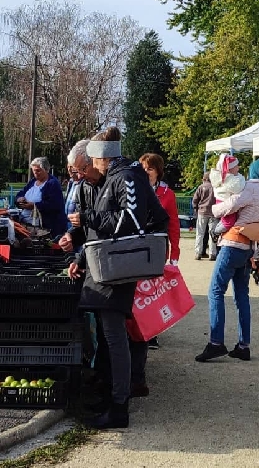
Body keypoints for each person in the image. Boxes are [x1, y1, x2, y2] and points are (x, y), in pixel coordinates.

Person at [59, 127, 167, 429]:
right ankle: (111, 396)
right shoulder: (117, 177)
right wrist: (81, 255)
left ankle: (119, 406)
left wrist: (89, 218)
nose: (87, 170)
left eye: (89, 163)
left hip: (119, 267)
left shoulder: (125, 177)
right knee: (110, 336)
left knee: (115, 335)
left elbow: (130, 220)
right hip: (109, 264)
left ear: (100, 158)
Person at [197, 159, 259, 363]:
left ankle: (216, 342)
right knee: (241, 295)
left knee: (215, 291)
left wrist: (214, 211)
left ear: (252, 171)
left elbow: (230, 205)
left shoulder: (250, 188)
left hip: (233, 244)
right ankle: (243, 345)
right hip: (249, 248)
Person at [138, 153, 180, 350]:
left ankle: (153, 332)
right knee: (137, 290)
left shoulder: (167, 194)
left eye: (150, 168)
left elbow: (173, 225)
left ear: (158, 172)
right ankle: (137, 329)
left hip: (157, 247)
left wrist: (175, 253)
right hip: (136, 246)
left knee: (153, 290)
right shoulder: (134, 190)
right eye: (143, 168)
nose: (146, 172)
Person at [15, 157, 66, 239]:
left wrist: (34, 206)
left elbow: (54, 205)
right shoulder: (32, 181)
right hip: (26, 225)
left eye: (38, 170)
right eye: (33, 170)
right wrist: (19, 199)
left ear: (46, 170)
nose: (35, 173)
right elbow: (20, 193)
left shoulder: (52, 184)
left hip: (44, 229)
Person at [209, 154, 245, 238]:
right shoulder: (229, 179)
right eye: (236, 166)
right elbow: (238, 188)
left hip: (223, 200)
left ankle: (216, 231)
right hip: (225, 202)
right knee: (228, 223)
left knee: (225, 221)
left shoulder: (223, 177)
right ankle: (215, 232)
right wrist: (241, 179)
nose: (238, 168)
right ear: (230, 169)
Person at [192, 172, 216, 260]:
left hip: (202, 212)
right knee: (212, 234)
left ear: (204, 179)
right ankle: (212, 253)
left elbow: (195, 199)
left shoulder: (201, 187)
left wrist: (195, 209)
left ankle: (198, 253)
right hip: (213, 213)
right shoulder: (215, 187)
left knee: (200, 234)